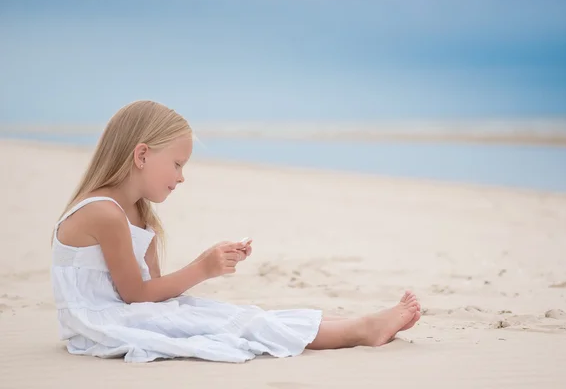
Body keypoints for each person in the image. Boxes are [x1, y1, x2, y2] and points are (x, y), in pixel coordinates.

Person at [50, 100, 421, 363]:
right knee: (232, 324)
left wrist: (204, 271)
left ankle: (357, 324)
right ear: (142, 155)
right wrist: (204, 268)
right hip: (99, 324)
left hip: (126, 312)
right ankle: (361, 331)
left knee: (235, 314)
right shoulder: (104, 214)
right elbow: (136, 296)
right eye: (177, 164)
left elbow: (155, 294)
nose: (181, 176)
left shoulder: (137, 212)